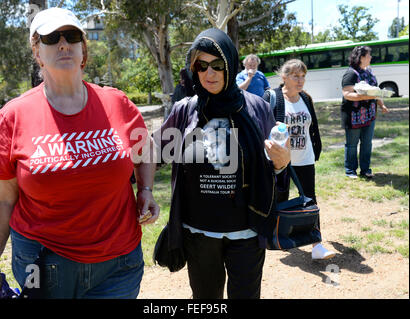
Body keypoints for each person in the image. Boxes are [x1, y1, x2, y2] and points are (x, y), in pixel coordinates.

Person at [0, 7, 159, 299]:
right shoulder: (13, 116)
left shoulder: (117, 103)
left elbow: (145, 148)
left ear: (82, 49)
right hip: (43, 264)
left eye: (72, 36)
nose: (63, 43)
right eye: (51, 38)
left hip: (118, 265)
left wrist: (147, 189)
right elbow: (1, 200)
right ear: (37, 52)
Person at [154, 28, 290, 299]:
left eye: (217, 64)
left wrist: (283, 162)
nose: (209, 73)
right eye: (201, 66)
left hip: (247, 232)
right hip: (198, 233)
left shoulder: (257, 108)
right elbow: (153, 152)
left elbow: (276, 166)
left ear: (229, 63)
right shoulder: (185, 110)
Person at [262, 59, 335, 260]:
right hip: (280, 161)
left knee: (310, 199)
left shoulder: (306, 98)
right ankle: (274, 236)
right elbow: (261, 124)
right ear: (284, 77)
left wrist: (317, 148)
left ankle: (317, 245)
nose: (300, 80)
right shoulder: (273, 97)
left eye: (303, 76)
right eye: (296, 76)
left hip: (305, 158)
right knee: (278, 199)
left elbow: (313, 128)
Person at [341, 46, 389, 179]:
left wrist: (382, 105)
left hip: (369, 115)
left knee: (367, 143)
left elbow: (376, 91)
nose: (371, 57)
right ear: (361, 57)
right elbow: (347, 94)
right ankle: (350, 171)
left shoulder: (369, 72)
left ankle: (365, 169)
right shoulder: (350, 73)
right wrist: (365, 97)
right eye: (368, 55)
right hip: (353, 116)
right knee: (351, 145)